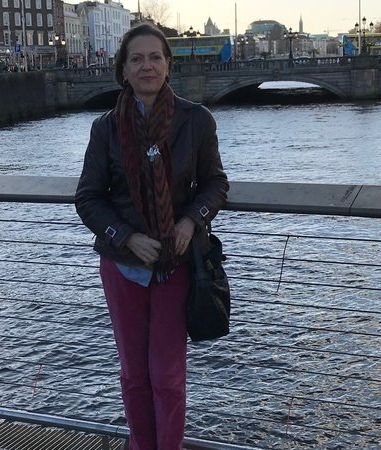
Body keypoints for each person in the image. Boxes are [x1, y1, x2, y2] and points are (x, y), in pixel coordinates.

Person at [74, 23, 229, 450]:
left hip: (174, 263)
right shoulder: (106, 128)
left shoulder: (195, 121)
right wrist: (126, 237)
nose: (147, 66)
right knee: (134, 375)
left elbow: (216, 183)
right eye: (137, 59)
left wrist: (190, 221)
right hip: (123, 265)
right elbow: (88, 198)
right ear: (123, 70)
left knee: (166, 375)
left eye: (155, 57)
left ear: (168, 65)